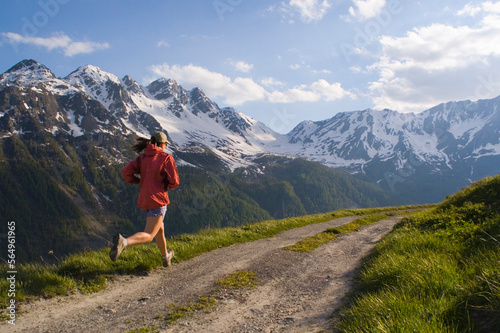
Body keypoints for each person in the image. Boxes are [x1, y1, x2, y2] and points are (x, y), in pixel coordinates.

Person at [110, 131, 179, 267]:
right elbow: (174, 181)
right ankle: (124, 242)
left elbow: (126, 172)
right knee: (149, 234)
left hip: (144, 200)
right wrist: (166, 185)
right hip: (158, 200)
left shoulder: (142, 158)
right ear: (162, 144)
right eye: (165, 144)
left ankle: (166, 258)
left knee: (159, 229)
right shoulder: (166, 158)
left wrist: (137, 181)